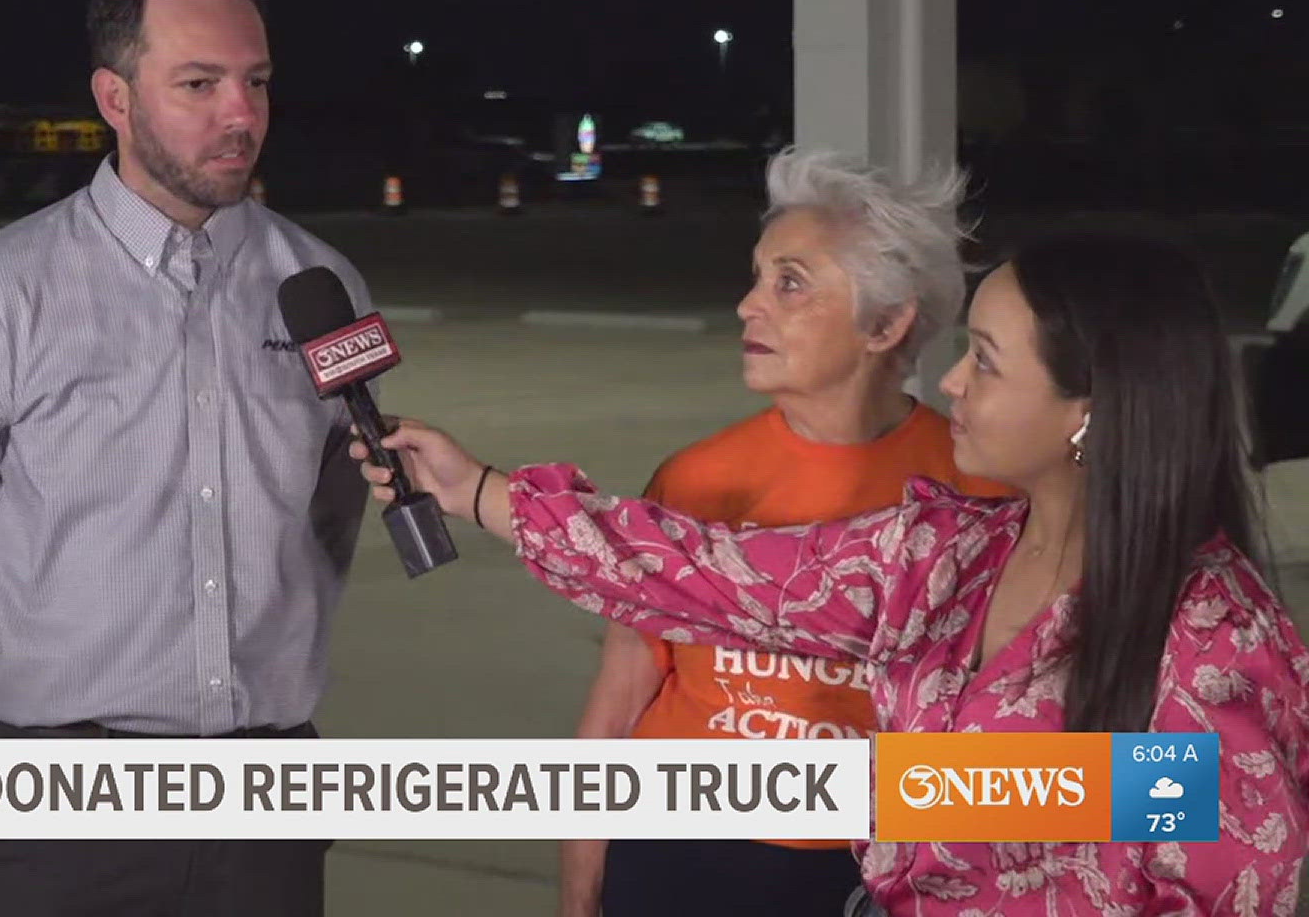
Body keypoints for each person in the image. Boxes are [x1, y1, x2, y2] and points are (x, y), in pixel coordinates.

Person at [355, 234, 1309, 914]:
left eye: (984, 361)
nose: (951, 384)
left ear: (1090, 412)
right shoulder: (948, 554)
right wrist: (477, 490)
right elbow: (710, 574)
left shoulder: (1216, 645)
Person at [0, 0, 370, 917]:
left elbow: (332, 521)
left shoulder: (328, 290)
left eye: (256, 82)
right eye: (199, 83)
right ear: (114, 96)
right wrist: (26, 725)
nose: (242, 115)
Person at [563, 149, 1009, 917]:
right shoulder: (697, 480)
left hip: (876, 863)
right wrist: (580, 893)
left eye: (790, 283)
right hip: (681, 852)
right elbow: (617, 704)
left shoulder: (978, 493)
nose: (748, 305)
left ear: (886, 323)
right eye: (758, 276)